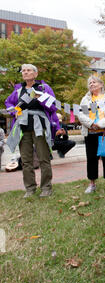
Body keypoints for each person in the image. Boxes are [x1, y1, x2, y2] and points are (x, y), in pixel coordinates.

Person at [5, 64, 61, 197]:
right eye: (23, 71)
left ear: (35, 74)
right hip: (23, 128)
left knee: (43, 158)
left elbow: (53, 107)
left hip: (40, 126)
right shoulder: (18, 91)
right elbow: (8, 103)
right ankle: (30, 189)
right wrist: (15, 112)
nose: (25, 73)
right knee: (26, 160)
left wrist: (40, 98)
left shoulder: (44, 88)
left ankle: (46, 188)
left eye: (28, 70)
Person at [78, 75, 105, 195]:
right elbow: (81, 115)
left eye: (94, 82)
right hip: (90, 132)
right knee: (91, 159)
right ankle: (92, 184)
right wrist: (91, 124)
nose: (91, 84)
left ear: (101, 84)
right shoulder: (86, 99)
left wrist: (100, 125)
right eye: (89, 83)